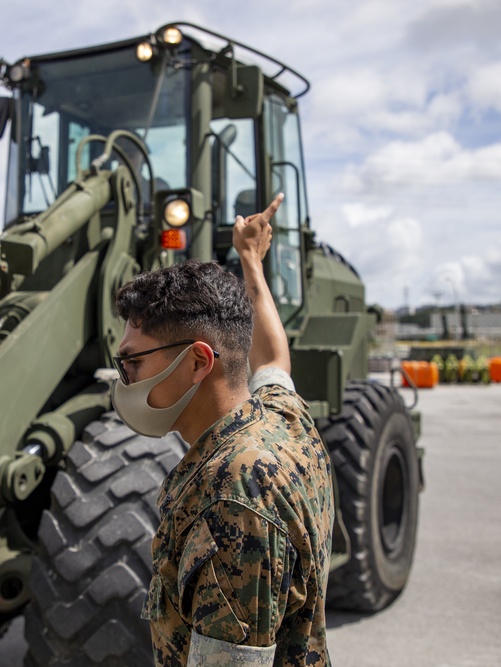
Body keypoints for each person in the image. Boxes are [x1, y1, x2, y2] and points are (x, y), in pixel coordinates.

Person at [111, 194, 334, 666]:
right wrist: (251, 259)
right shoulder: (279, 418)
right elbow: (273, 358)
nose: (124, 377)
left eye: (132, 361)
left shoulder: (232, 499)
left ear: (196, 362)